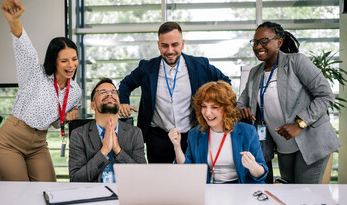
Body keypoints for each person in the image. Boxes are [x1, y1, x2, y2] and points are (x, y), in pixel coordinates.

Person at [237, 21, 341, 184]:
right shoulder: (254, 73)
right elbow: (241, 102)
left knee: (305, 196)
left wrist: (299, 123)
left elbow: (326, 95)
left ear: (279, 42)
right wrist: (241, 110)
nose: (258, 46)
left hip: (311, 142)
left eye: (264, 41)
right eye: (255, 42)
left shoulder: (296, 62)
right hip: (283, 146)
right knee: (290, 196)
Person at [118, 21, 231, 164]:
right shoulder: (146, 68)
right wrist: (123, 101)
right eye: (165, 45)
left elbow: (225, 82)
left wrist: (215, 107)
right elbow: (125, 84)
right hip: (158, 137)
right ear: (158, 45)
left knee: (190, 180)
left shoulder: (200, 65)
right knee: (159, 182)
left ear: (182, 44)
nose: (170, 50)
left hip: (192, 135)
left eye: (174, 45)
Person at [0, 0, 81, 181]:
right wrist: (14, 21)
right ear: (54, 61)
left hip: (39, 144)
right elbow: (24, 47)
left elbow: (56, 123)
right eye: (64, 61)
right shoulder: (34, 73)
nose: (71, 65)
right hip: (11, 141)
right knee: (19, 192)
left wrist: (65, 118)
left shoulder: (75, 91)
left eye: (74, 59)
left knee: (48, 189)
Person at [169, 81, 268, 184]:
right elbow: (187, 169)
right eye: (204, 106)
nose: (207, 113)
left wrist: (253, 166)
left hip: (241, 188)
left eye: (214, 107)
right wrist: (177, 146)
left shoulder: (247, 131)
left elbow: (261, 175)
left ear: (227, 108)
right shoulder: (195, 134)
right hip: (210, 189)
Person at [69, 78, 146, 182]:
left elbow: (142, 176)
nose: (110, 94)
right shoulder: (78, 135)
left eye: (114, 92)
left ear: (119, 102)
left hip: (125, 194)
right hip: (93, 194)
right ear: (93, 105)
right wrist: (104, 151)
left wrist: (118, 151)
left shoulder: (135, 133)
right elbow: (76, 179)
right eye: (103, 92)